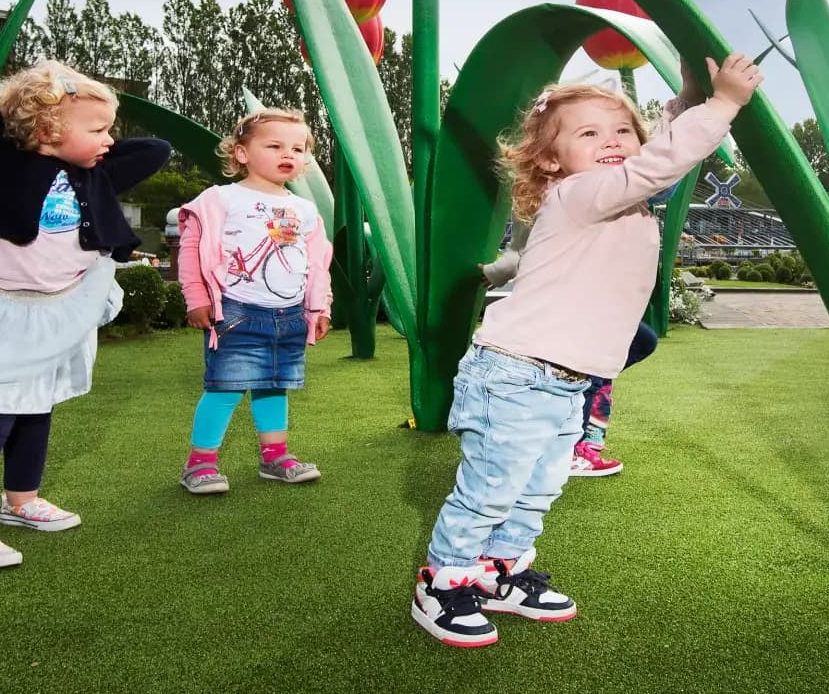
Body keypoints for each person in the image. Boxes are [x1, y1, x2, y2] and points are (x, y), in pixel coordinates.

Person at [412, 54, 762, 647]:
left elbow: (665, 162)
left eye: (623, 130)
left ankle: (502, 570)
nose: (613, 142)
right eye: (590, 133)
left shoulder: (625, 198)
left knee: (539, 487)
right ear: (552, 161)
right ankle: (443, 581)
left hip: (566, 382)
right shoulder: (578, 195)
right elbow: (657, 166)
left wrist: (688, 101)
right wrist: (724, 105)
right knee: (492, 488)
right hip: (515, 373)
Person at [0, 61, 171, 570]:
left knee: (37, 407)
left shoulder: (97, 173)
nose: (110, 140)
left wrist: (86, 124)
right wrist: (45, 96)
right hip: (0, 309)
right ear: (48, 129)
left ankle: (21, 501)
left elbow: (155, 150)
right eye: (98, 130)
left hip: (56, 309)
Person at [174, 108, 332, 494]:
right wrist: (196, 297)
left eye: (298, 148)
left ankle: (275, 457)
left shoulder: (306, 210)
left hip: (290, 315)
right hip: (237, 312)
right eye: (275, 145)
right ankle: (199, 464)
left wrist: (318, 306)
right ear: (242, 153)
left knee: (274, 384)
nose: (288, 154)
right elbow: (191, 249)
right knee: (224, 387)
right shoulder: (220, 199)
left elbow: (317, 262)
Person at [481, 233, 663, 478]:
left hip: (596, 297)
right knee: (591, 371)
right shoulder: (572, 203)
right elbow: (520, 248)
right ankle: (569, 451)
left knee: (639, 344)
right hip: (574, 297)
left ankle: (572, 437)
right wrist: (498, 270)